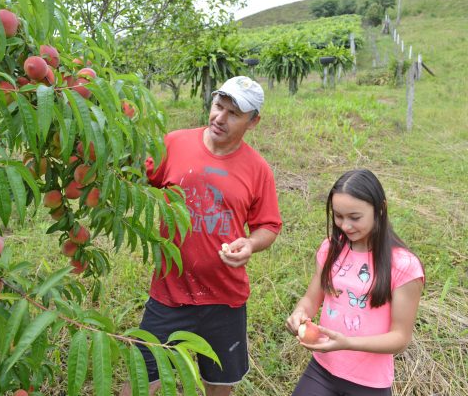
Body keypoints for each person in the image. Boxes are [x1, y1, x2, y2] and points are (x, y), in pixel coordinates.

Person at [120, 76, 282, 396]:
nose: (220, 118)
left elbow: (269, 226)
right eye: (218, 106)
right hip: (168, 294)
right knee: (139, 384)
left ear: (254, 121)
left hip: (225, 300)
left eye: (233, 113)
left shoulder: (257, 168)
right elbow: (134, 175)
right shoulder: (175, 143)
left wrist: (250, 243)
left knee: (219, 388)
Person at [285, 169, 425, 396]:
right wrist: (299, 313)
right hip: (322, 368)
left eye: (355, 217)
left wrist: (347, 342)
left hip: (369, 384)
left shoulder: (403, 266)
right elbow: (311, 299)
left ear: (380, 209)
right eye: (338, 216)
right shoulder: (331, 248)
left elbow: (400, 338)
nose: (345, 226)